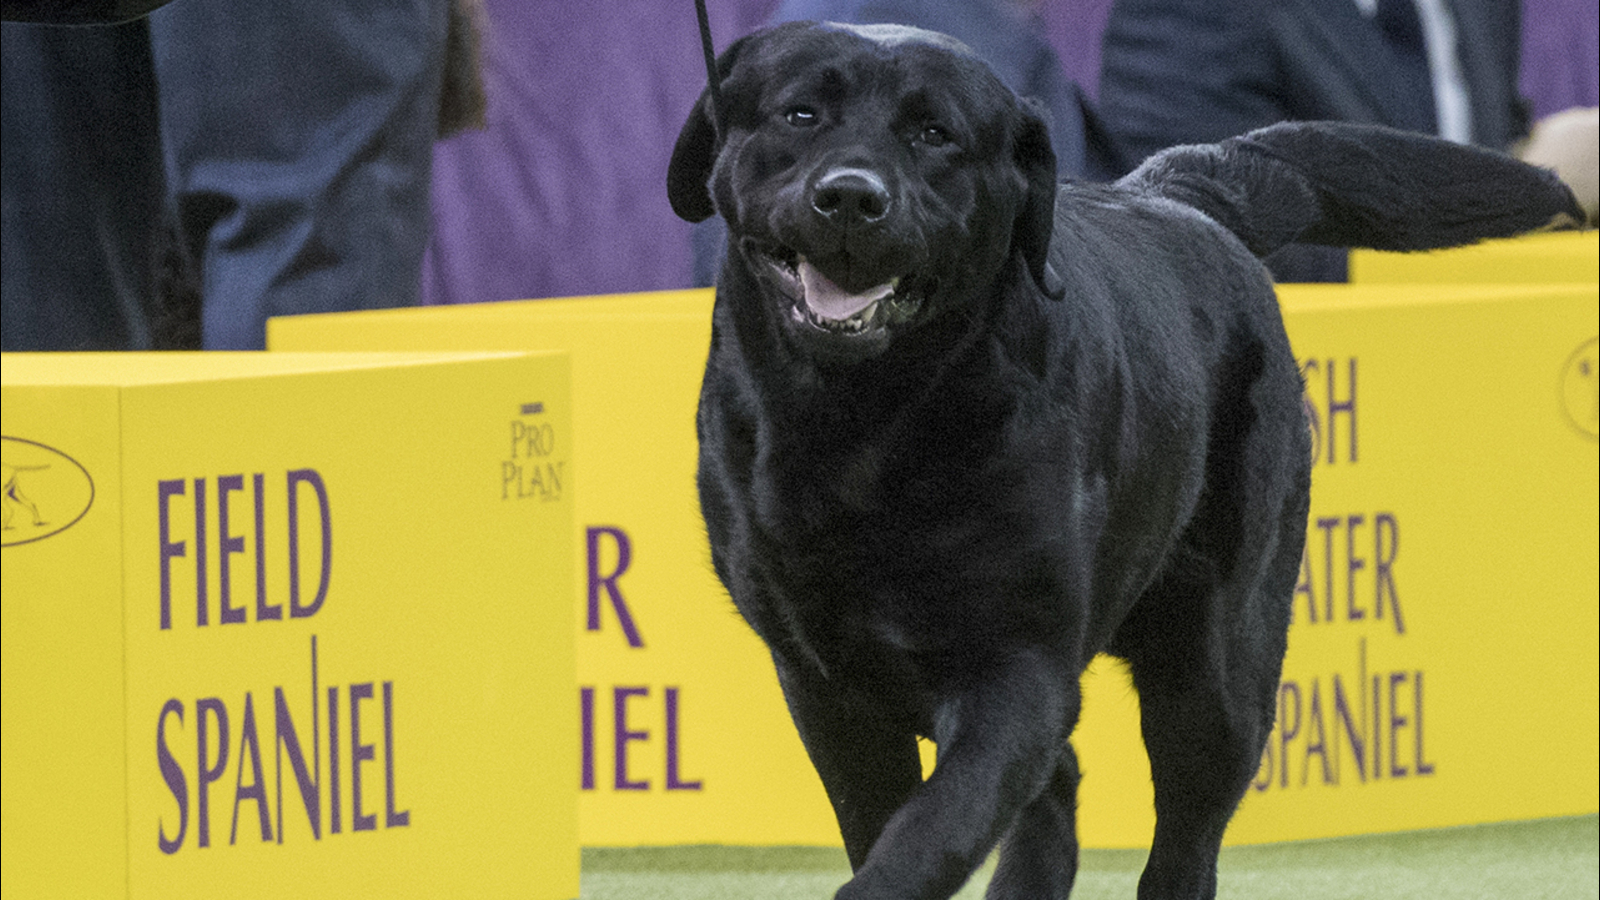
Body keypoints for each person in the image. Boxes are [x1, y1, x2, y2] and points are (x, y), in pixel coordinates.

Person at [1097, 0, 1528, 281]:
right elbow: (1204, 236)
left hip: (1496, 364)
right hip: (1323, 377)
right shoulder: (1191, 12)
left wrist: (1531, 174)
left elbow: (1470, 136)